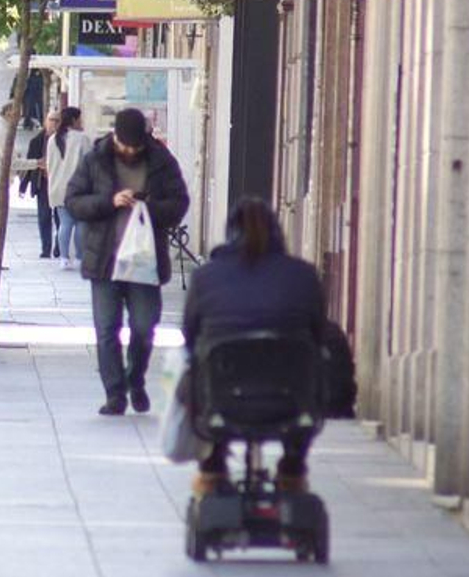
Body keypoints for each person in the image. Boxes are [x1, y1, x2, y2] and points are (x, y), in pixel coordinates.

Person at [180, 199, 326, 496]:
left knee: (198, 364)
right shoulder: (303, 275)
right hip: (290, 400)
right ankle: (292, 467)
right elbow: (318, 333)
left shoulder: (206, 277)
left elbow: (190, 334)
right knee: (313, 360)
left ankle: (212, 464)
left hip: (222, 400)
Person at [65, 108, 190, 416]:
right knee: (107, 329)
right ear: (115, 138)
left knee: (144, 326)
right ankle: (115, 394)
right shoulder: (95, 159)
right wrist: (109, 202)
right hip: (105, 260)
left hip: (145, 261)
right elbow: (74, 201)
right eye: (125, 146)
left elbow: (179, 203)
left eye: (136, 147)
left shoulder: (161, 161)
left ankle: (135, 379)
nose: (130, 152)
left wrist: (151, 206)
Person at [46, 106, 87, 270]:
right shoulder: (82, 139)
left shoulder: (53, 139)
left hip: (58, 187)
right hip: (78, 188)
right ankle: (79, 256)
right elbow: (89, 163)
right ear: (74, 120)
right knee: (80, 223)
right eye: (80, 119)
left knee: (64, 224)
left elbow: (49, 165)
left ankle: (63, 257)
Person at [20, 109, 61, 258]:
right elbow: (30, 165)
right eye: (51, 120)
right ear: (45, 122)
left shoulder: (63, 141)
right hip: (42, 183)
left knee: (59, 218)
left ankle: (59, 247)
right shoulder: (37, 141)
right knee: (44, 217)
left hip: (59, 185)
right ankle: (46, 248)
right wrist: (23, 186)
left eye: (57, 120)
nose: (54, 124)